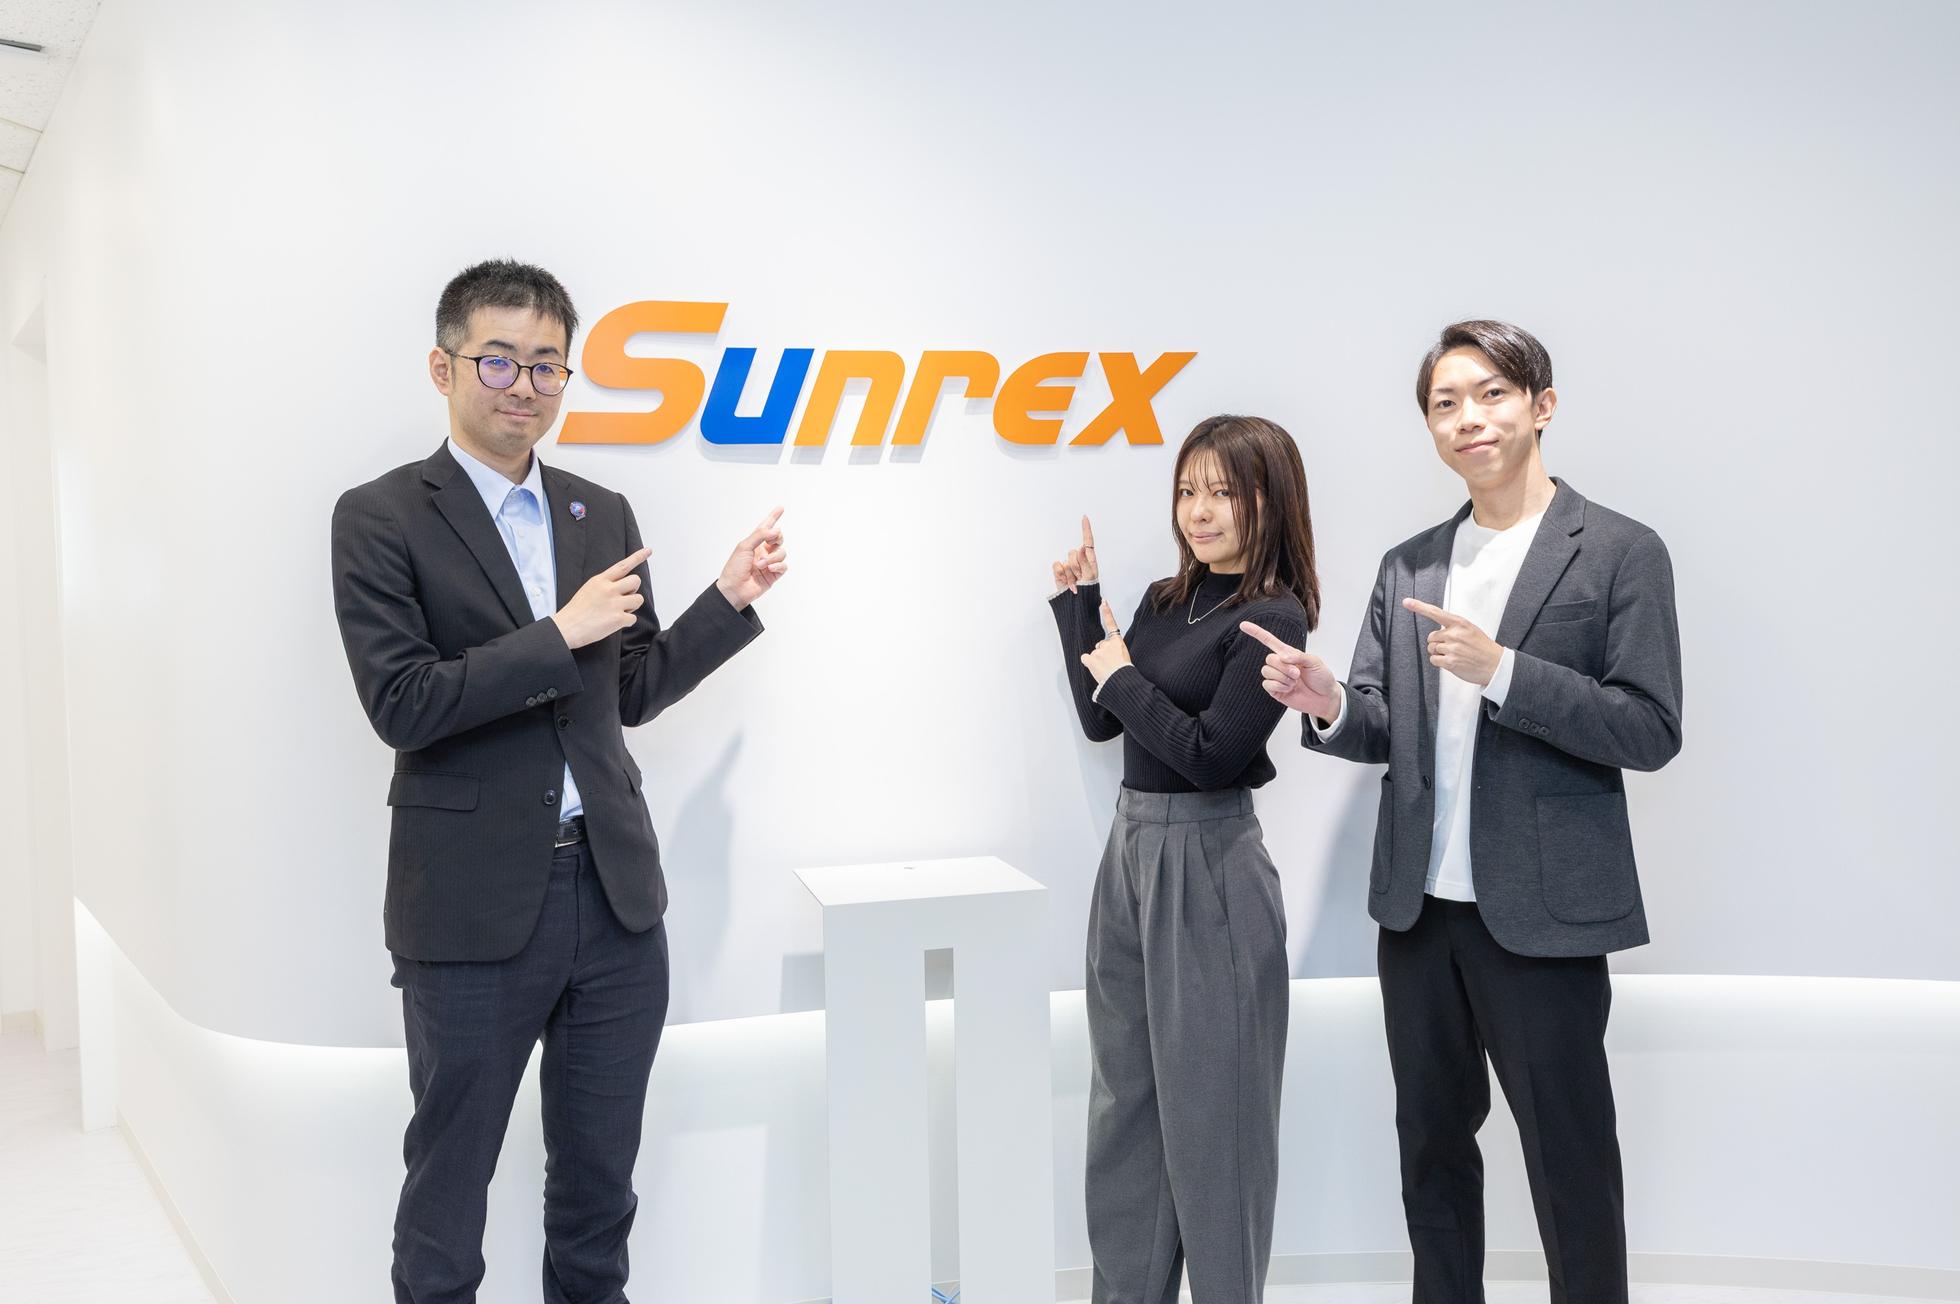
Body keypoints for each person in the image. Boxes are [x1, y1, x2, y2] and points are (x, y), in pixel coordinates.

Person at [330, 258, 788, 1302]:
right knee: (447, 1199)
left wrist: (724, 599)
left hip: (614, 902)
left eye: (546, 364)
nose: (523, 384)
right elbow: (402, 701)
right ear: (444, 367)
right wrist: (557, 633)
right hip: (470, 906)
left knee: (598, 1194)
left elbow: (630, 690)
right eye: (498, 360)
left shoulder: (599, 510)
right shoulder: (380, 515)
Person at [1243, 320, 1682, 1304]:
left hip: (1544, 918)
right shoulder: (1411, 565)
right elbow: (1382, 720)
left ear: (1541, 405)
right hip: (1418, 916)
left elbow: (1650, 727)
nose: (1467, 418)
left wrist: (1505, 672)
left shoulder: (1618, 551)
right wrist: (1329, 703)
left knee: (1570, 1162)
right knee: (1431, 1153)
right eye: (1445, 403)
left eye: (1490, 394)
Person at [1051, 414, 1320, 1304]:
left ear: (1269, 500)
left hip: (1212, 861)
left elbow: (1209, 754)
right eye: (1187, 490)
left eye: (1222, 493)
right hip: (1130, 851)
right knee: (1123, 1107)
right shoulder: (1169, 600)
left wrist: (1123, 675)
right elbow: (1104, 720)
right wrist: (1083, 605)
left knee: (1218, 1127)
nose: (1198, 512)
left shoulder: (1273, 617)